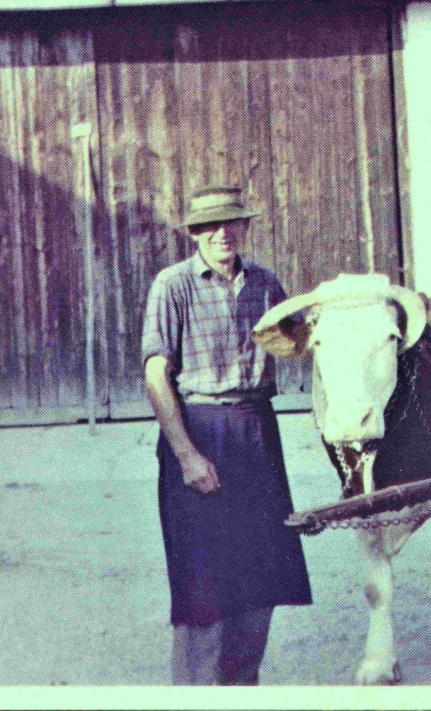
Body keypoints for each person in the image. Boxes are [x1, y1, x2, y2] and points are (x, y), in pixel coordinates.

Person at [141, 185, 311, 686]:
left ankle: (241, 688)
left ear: (245, 228)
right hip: (198, 430)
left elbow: (299, 342)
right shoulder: (172, 286)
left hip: (257, 432)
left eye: (231, 223)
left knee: (261, 575)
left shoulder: (264, 283)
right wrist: (188, 456)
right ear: (194, 233)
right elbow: (156, 377)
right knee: (203, 585)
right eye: (210, 226)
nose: (222, 233)